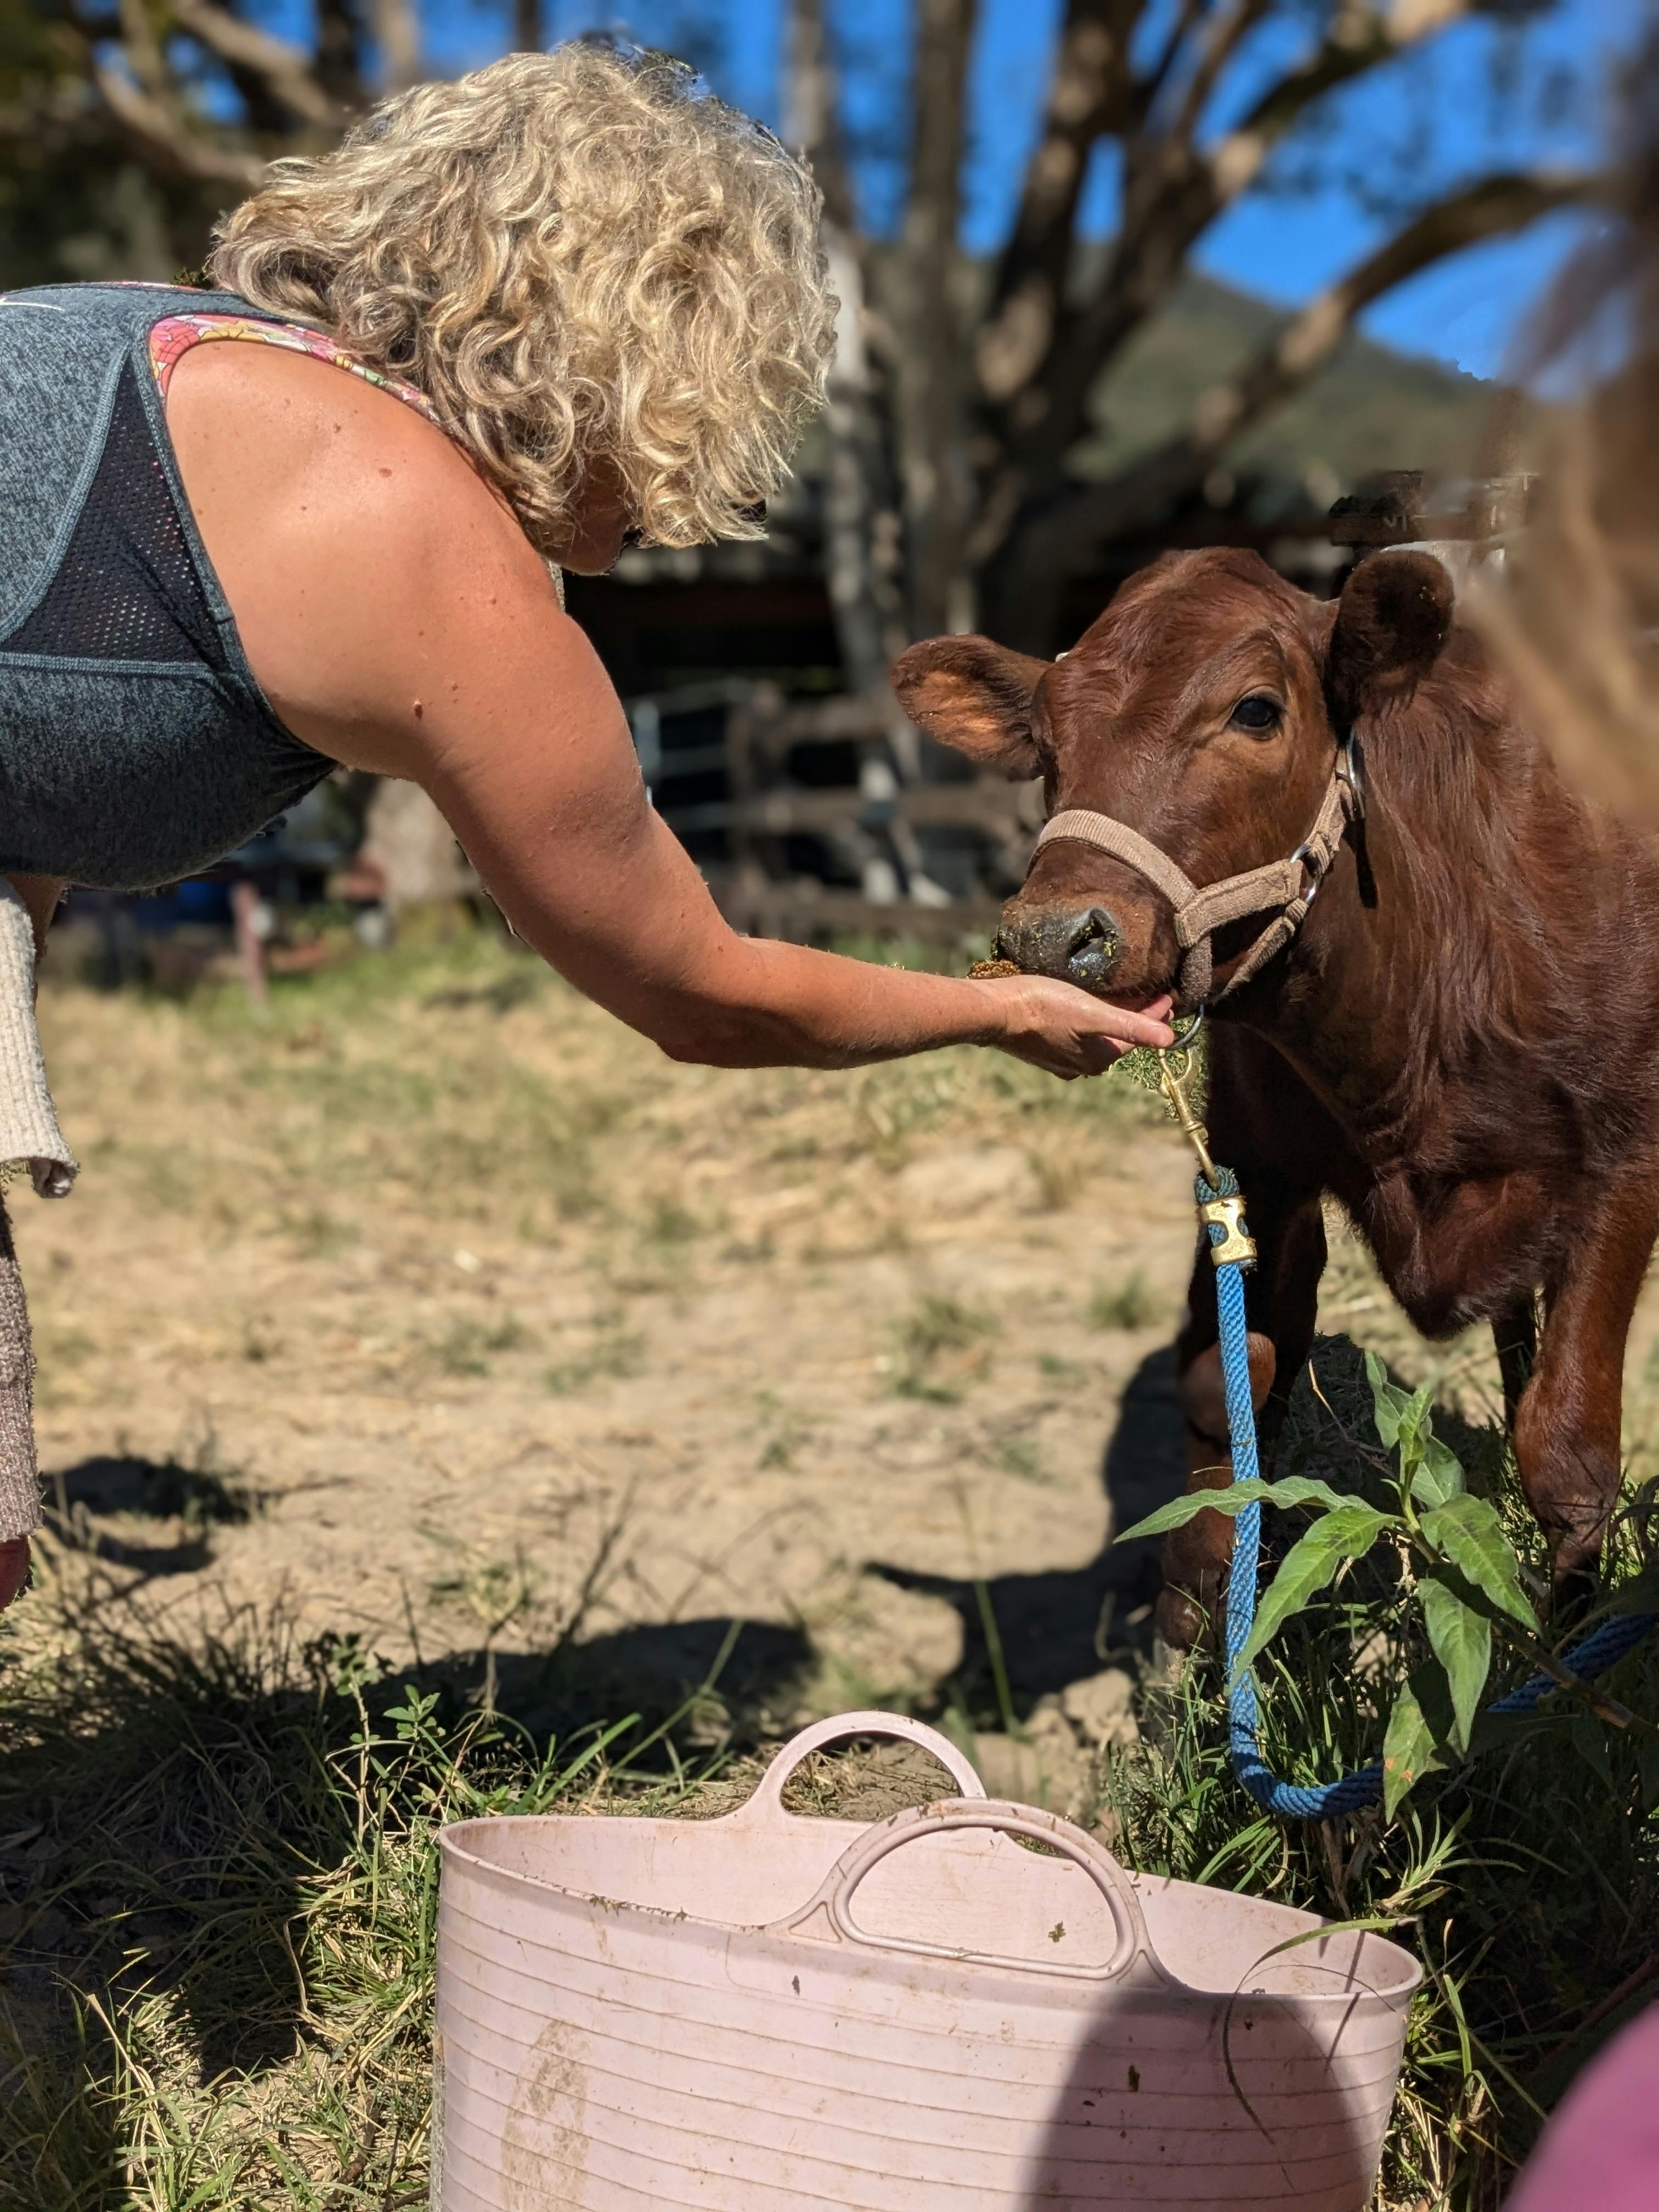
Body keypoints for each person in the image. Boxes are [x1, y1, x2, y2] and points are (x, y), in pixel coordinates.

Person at [0, 43, 1171, 1611]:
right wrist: (999, 1007)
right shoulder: (426, 543)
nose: (656, 530)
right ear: (637, 348)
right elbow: (695, 986)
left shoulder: (153, 353)